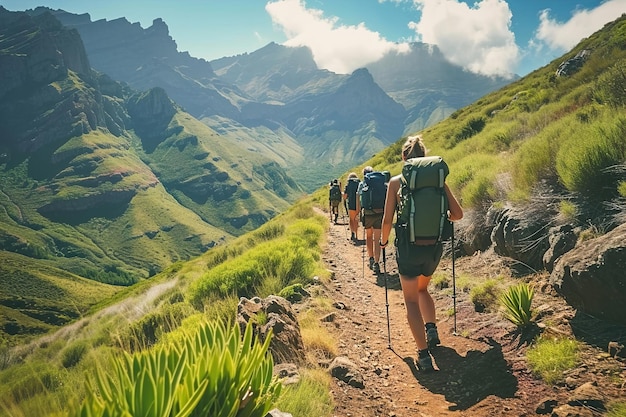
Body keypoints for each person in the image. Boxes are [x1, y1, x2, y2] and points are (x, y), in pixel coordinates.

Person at [379, 135, 463, 371]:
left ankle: (423, 355)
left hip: (408, 249)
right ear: (425, 158)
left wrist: (383, 242)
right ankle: (432, 329)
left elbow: (387, 221)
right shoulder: (438, 183)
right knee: (423, 289)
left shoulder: (395, 183)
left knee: (410, 299)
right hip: (433, 249)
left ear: (404, 158)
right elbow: (458, 215)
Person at [357, 166, 386, 275]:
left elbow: (359, 198)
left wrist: (359, 212)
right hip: (380, 212)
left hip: (368, 213)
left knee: (369, 236)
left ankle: (371, 258)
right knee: (377, 238)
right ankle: (377, 263)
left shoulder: (363, 184)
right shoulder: (381, 184)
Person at [343, 172, 360, 241]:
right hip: (359, 204)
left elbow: (345, 196)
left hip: (351, 204)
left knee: (351, 219)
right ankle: (356, 233)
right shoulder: (360, 183)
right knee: (356, 219)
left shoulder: (348, 184)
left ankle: (352, 233)